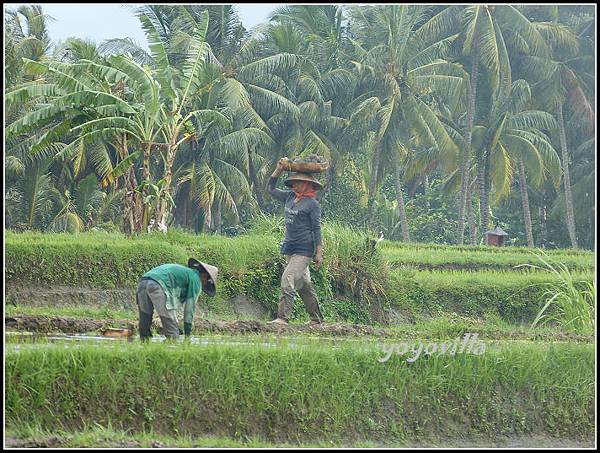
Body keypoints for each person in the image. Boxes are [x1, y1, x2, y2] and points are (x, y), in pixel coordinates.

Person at [266, 159, 325, 326]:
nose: (294, 185)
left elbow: (317, 229)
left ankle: (283, 317)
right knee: (303, 284)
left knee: (288, 278)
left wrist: (318, 253)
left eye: (297, 183)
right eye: (293, 182)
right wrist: (278, 170)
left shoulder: (313, 205)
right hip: (290, 247)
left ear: (307, 184)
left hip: (304, 249)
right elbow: (270, 189)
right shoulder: (290, 196)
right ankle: (317, 318)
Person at [136, 258, 218, 340]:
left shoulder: (186, 273)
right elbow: (189, 309)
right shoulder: (196, 279)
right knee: (173, 334)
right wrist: (187, 335)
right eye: (207, 282)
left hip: (142, 283)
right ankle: (169, 350)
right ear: (204, 277)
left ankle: (144, 345)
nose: (203, 285)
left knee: (145, 322)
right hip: (158, 284)